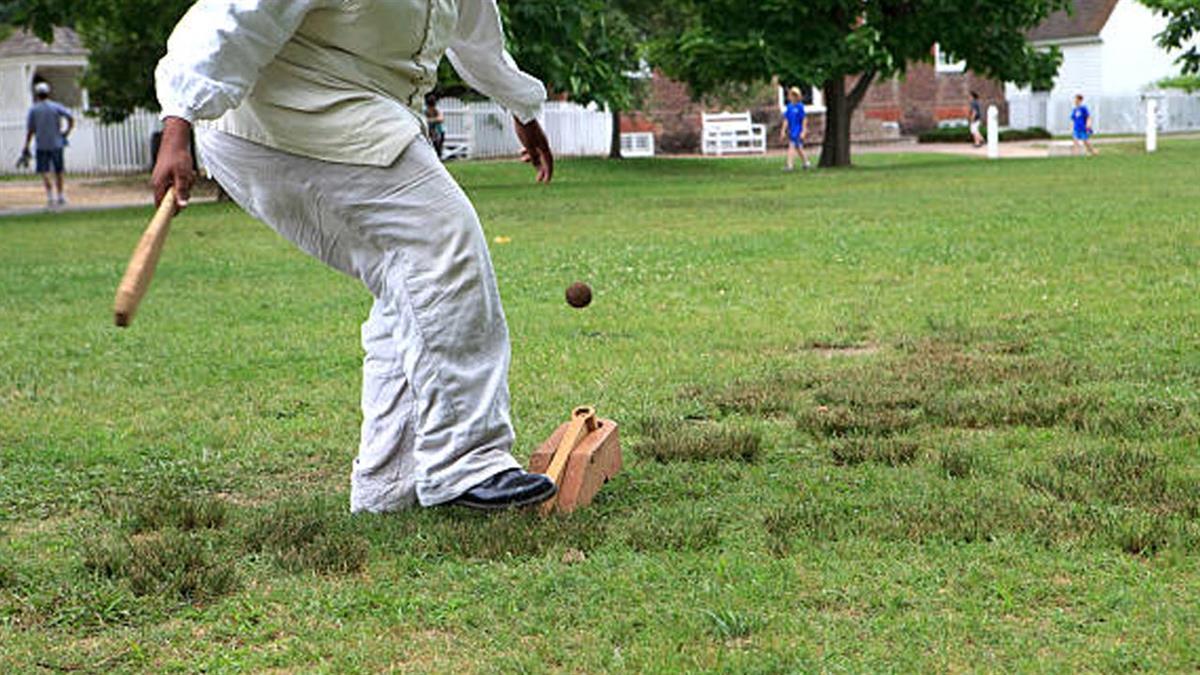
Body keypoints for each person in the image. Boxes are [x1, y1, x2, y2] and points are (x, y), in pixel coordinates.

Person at [153, 0, 557, 513]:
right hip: (284, 119)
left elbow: (478, 40)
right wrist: (176, 126)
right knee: (441, 242)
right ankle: (465, 463)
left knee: (410, 278)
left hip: (360, 118)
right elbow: (230, 16)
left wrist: (522, 110)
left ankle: (388, 486)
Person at [23, 82, 75, 207]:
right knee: (59, 170)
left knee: (44, 171)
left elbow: (31, 129)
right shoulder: (56, 107)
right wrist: (67, 131)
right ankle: (61, 196)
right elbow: (70, 117)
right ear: (48, 93)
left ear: (37, 94)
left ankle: (50, 196)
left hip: (41, 144)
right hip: (57, 143)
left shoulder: (34, 110)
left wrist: (26, 144)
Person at [780, 87, 811, 172]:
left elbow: (804, 119)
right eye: (791, 95)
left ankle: (790, 165)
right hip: (792, 129)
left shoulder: (800, 107)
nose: (792, 97)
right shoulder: (789, 107)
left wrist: (803, 131)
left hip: (798, 129)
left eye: (795, 95)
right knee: (798, 147)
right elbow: (786, 119)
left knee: (792, 146)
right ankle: (806, 162)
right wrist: (783, 130)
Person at [425, 94, 446, 160]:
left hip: (439, 131)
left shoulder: (437, 110)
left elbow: (441, 119)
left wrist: (430, 120)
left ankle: (439, 157)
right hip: (429, 131)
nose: (431, 108)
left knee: (438, 146)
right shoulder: (425, 110)